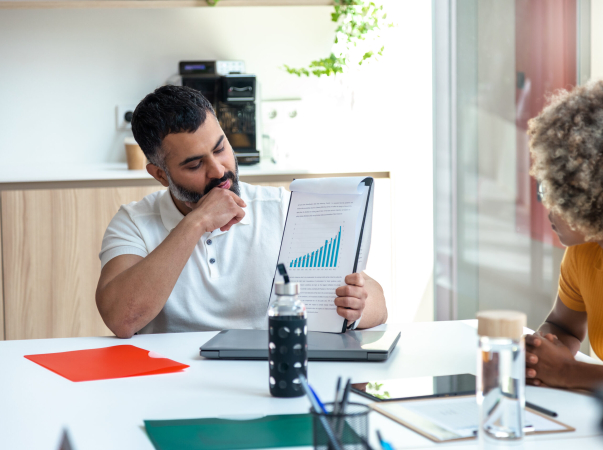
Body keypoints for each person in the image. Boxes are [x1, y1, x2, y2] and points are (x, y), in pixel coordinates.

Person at [95, 85, 387, 339]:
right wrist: (196, 223)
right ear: (160, 175)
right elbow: (122, 318)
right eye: (195, 165)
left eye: (220, 148)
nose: (219, 170)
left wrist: (358, 307)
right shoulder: (134, 222)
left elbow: (376, 301)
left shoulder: (280, 208)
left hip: (266, 374)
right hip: (171, 381)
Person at [526, 79, 603, 390]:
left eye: (560, 190)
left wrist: (567, 372)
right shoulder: (583, 254)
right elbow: (564, 326)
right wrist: (540, 352)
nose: (547, 205)